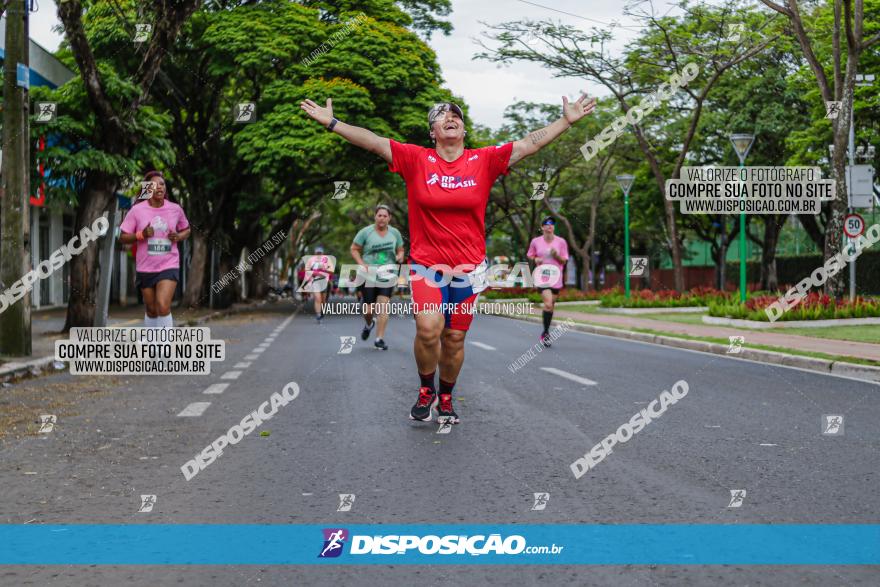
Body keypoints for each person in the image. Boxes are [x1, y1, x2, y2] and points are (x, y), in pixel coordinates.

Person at [300, 93, 596, 423]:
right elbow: (373, 141)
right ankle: (426, 388)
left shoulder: (484, 160)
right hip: (427, 264)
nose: (449, 117)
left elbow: (529, 143)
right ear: (432, 132)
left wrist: (566, 122)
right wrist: (333, 123)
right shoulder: (415, 160)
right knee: (429, 328)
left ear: (464, 128)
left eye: (455, 114)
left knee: (454, 338)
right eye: (441, 116)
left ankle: (446, 395)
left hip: (469, 269)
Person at [119, 171, 190, 327]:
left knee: (162, 305)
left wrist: (178, 236)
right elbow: (123, 237)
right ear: (148, 188)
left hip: (169, 264)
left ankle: (163, 349)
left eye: (162, 184)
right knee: (151, 309)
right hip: (145, 267)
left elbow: (187, 229)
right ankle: (153, 345)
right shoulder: (137, 210)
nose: (160, 187)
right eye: (155, 184)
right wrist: (141, 234)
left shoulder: (175, 209)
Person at [351, 204, 405, 350]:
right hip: (368, 274)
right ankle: (369, 324)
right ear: (375, 216)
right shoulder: (365, 232)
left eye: (385, 216)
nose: (382, 218)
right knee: (368, 310)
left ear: (389, 218)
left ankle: (379, 338)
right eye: (379, 215)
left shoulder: (395, 233)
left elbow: (400, 249)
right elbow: (354, 249)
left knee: (383, 307)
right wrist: (361, 263)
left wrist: (400, 256)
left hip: (387, 274)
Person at [527, 217, 569, 347]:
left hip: (556, 278)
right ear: (542, 227)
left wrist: (556, 255)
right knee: (548, 304)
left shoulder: (561, 242)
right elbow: (530, 254)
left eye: (552, 224)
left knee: (551, 307)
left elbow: (564, 261)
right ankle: (545, 333)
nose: (550, 226)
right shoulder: (536, 241)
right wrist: (536, 260)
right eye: (547, 224)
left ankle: (546, 330)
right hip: (542, 277)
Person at [302, 247, 334, 321]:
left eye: (320, 253)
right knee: (317, 299)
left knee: (323, 300)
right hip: (315, 281)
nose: (319, 254)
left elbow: (331, 271)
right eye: (317, 253)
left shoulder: (327, 260)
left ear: (323, 253)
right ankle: (318, 314)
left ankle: (322, 312)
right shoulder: (310, 260)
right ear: (315, 253)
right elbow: (307, 271)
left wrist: (324, 269)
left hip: (324, 281)